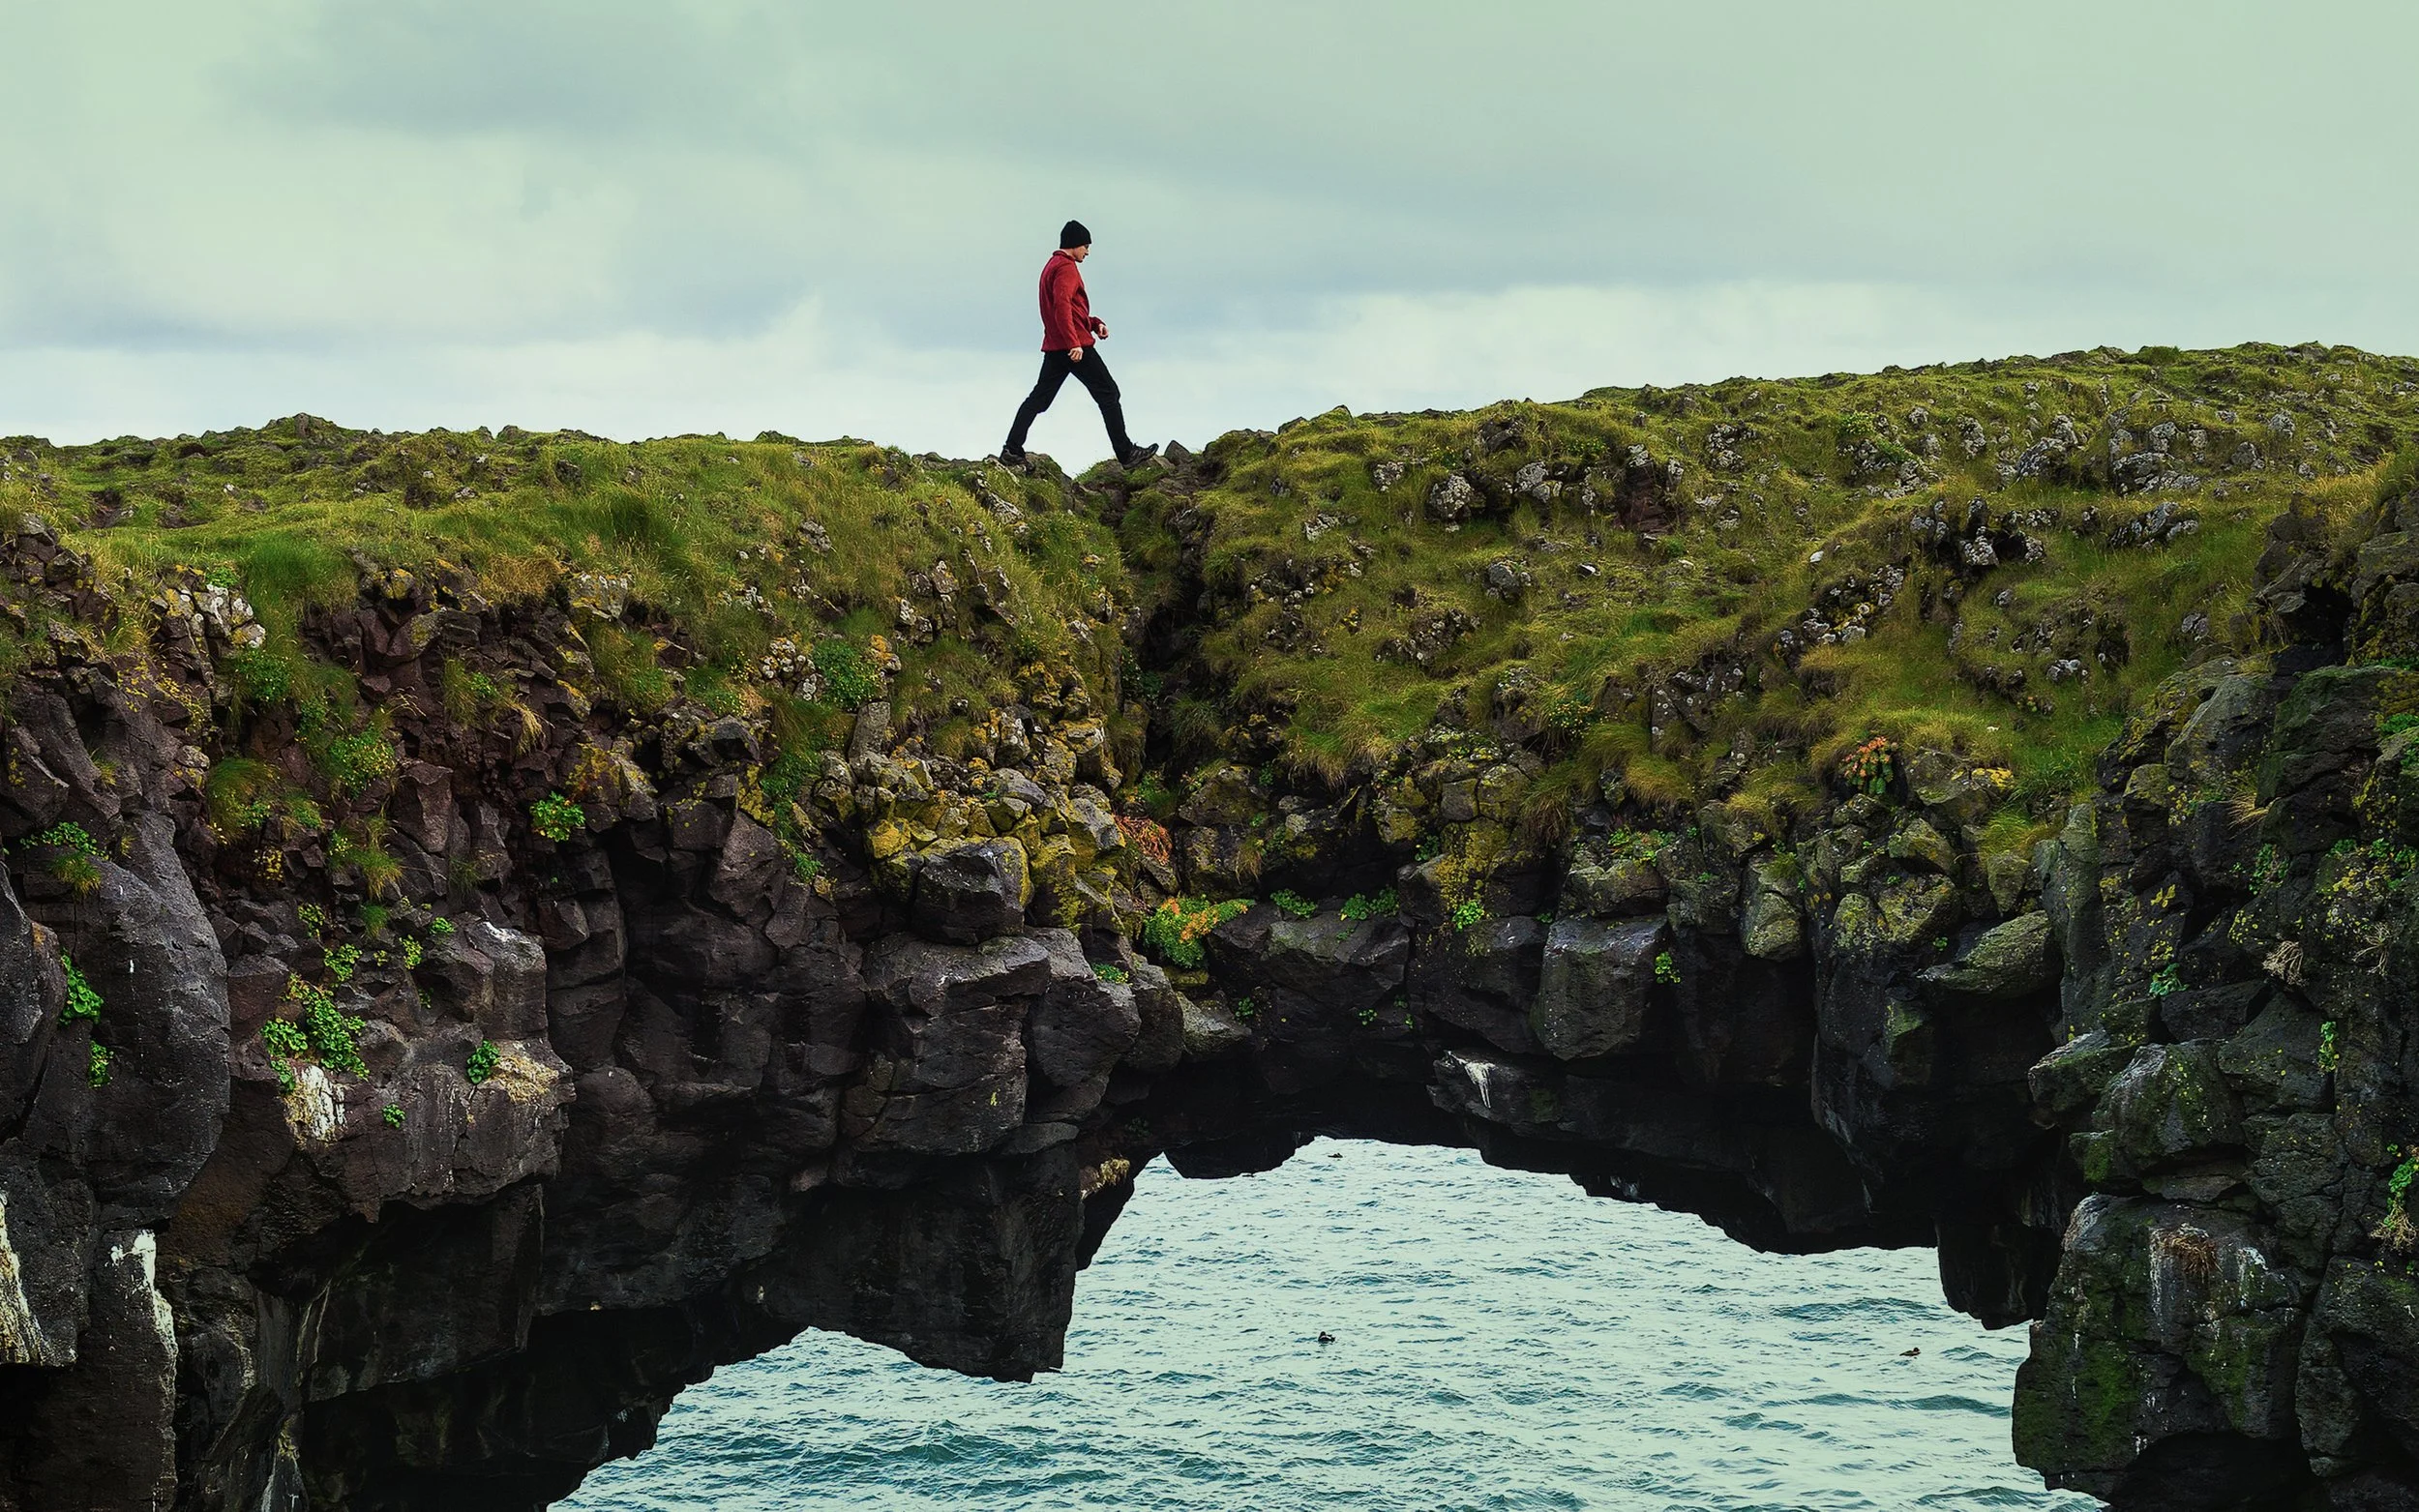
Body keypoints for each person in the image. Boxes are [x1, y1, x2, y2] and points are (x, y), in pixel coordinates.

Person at [1000, 221, 1156, 469]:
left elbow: (1067, 309)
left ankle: (1011, 449)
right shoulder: (1066, 268)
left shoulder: (1051, 265)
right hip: (1073, 347)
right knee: (1109, 393)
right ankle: (1127, 454)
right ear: (1074, 244)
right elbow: (1062, 306)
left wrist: (1094, 323)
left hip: (1056, 345)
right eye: (1086, 246)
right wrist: (1075, 343)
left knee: (1039, 399)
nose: (1088, 251)